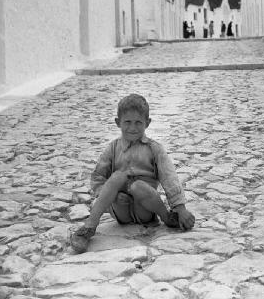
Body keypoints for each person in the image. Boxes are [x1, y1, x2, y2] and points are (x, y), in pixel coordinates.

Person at [70, 94, 195, 253]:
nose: (133, 128)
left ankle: (167, 218)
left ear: (147, 123)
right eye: (127, 122)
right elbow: (98, 178)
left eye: (138, 122)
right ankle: (89, 227)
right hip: (120, 211)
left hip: (145, 210)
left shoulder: (154, 149)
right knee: (117, 177)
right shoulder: (112, 148)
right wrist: (110, 195)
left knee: (137, 186)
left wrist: (180, 208)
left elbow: (169, 177)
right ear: (118, 123)